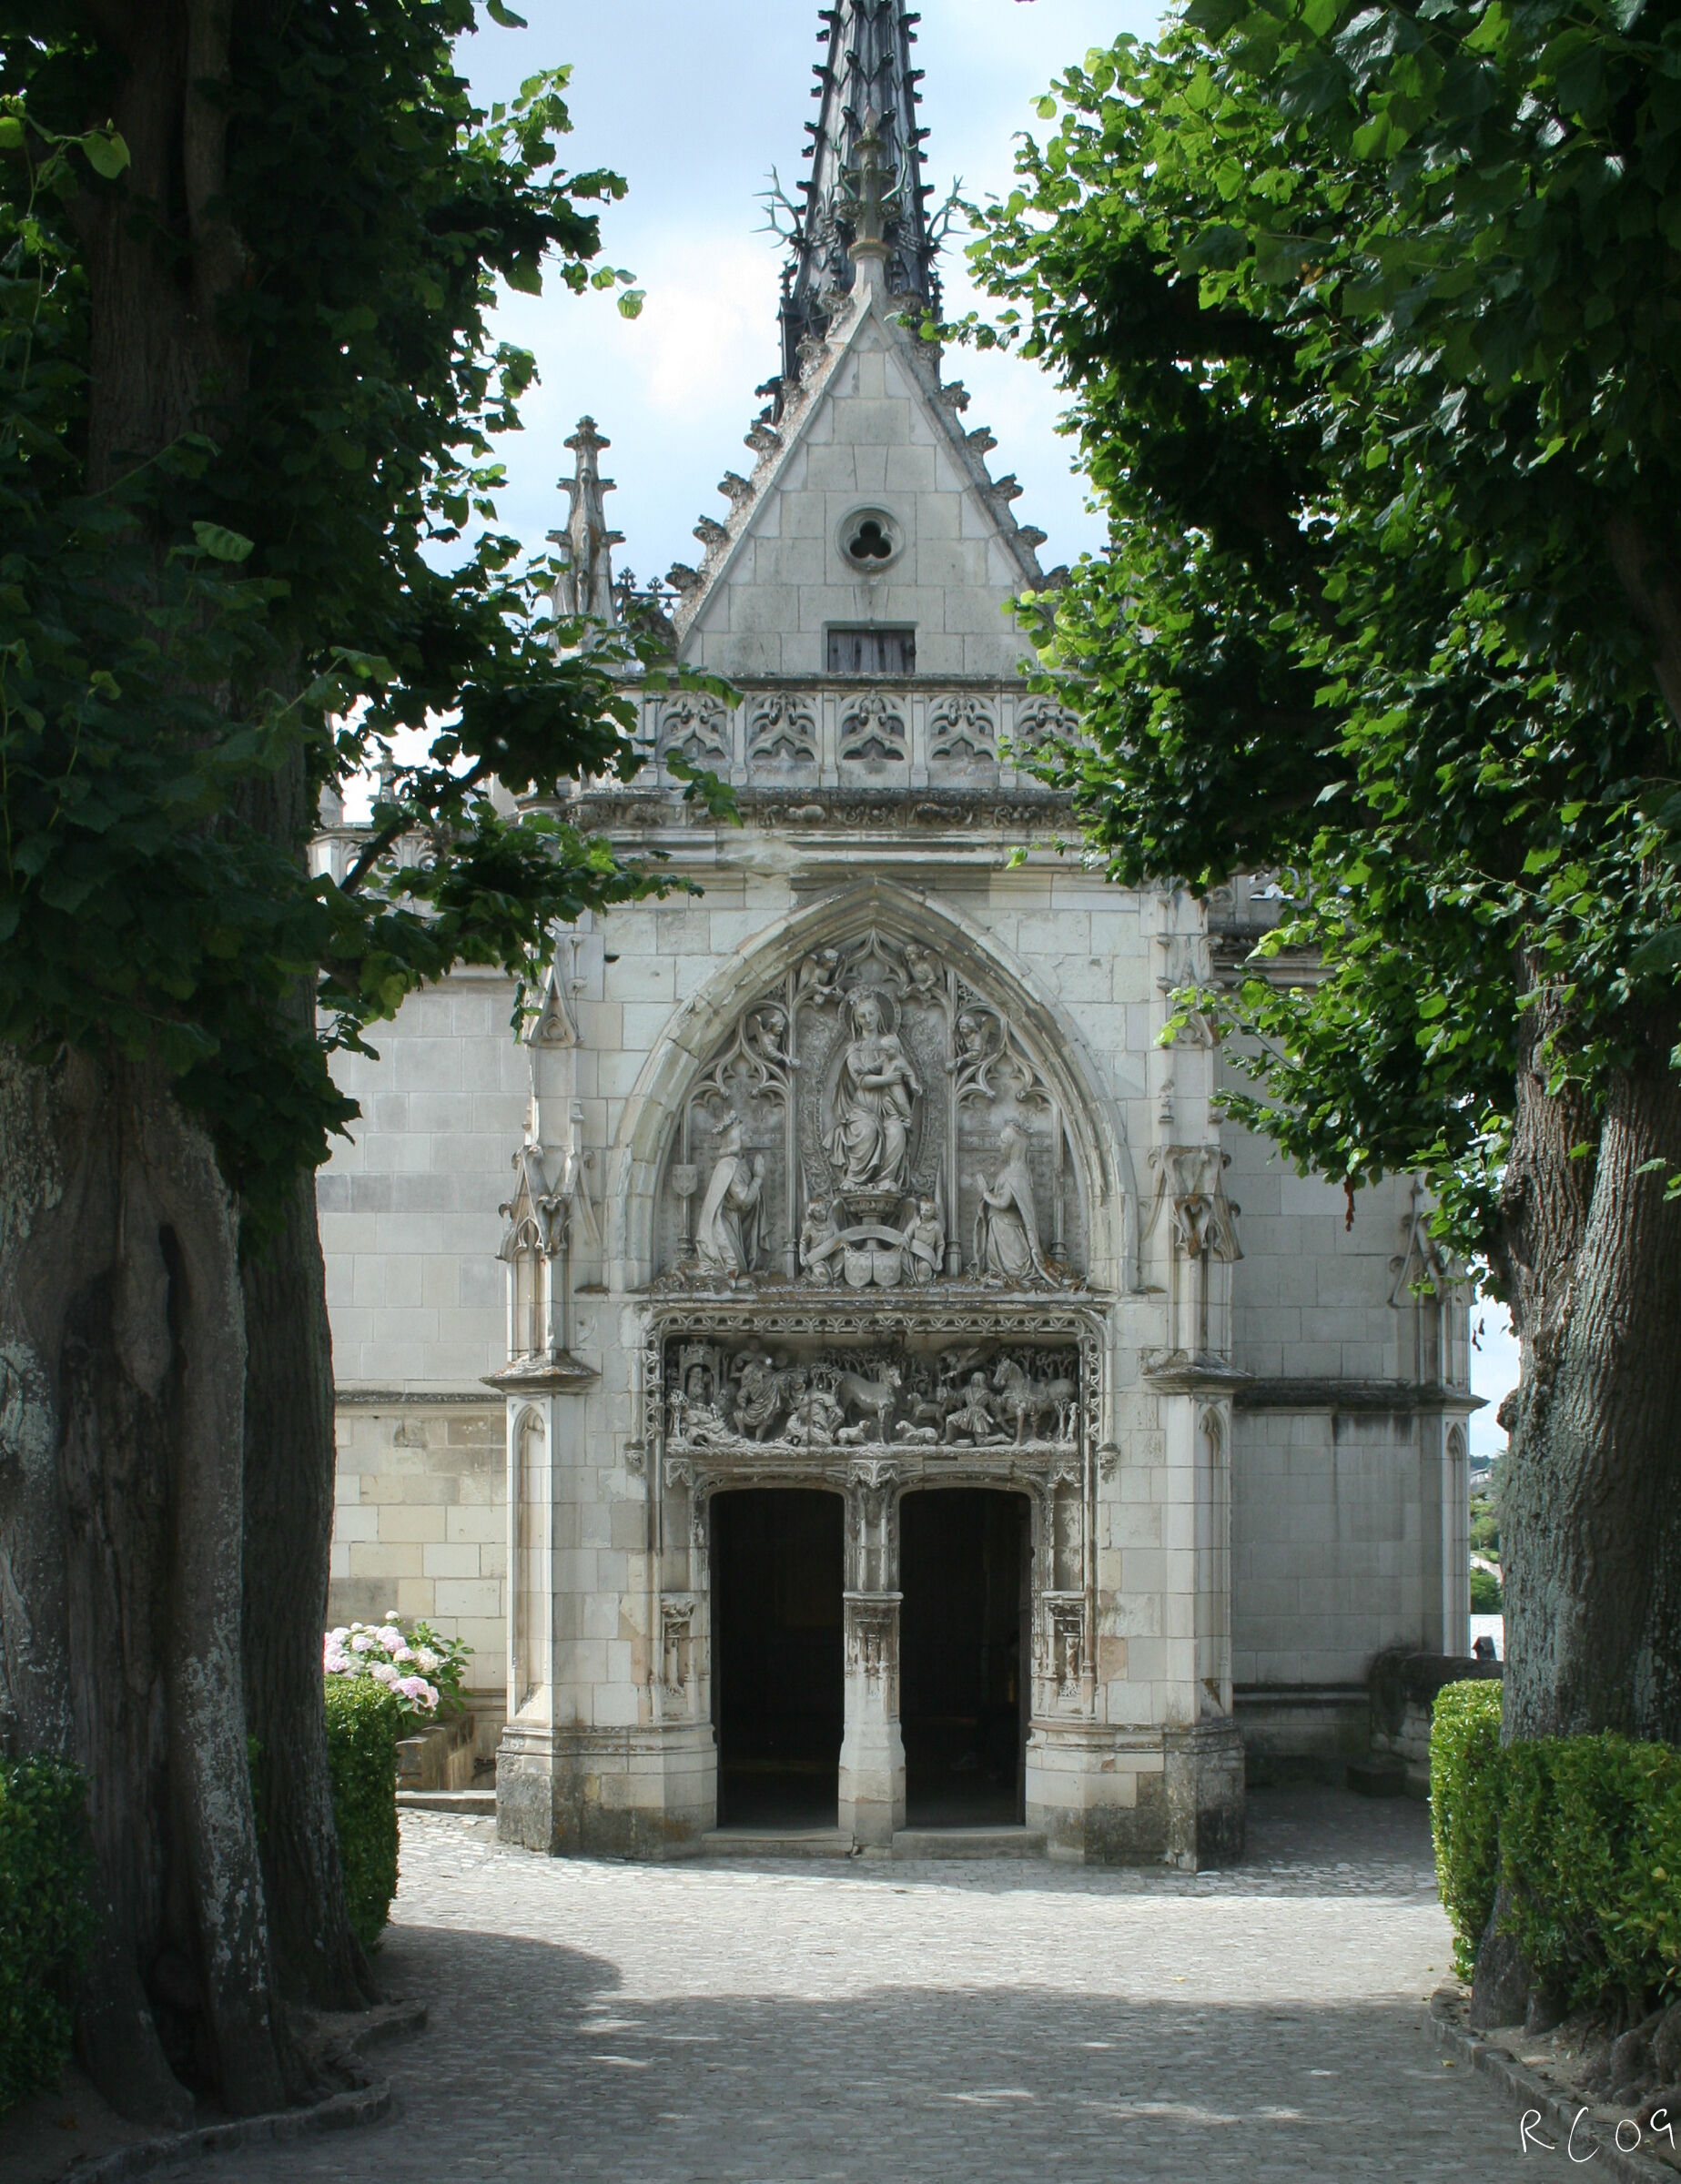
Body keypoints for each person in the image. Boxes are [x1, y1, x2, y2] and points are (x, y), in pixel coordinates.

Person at [825, 989, 920, 1193]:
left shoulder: (892, 1045)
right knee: (867, 1130)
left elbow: (903, 1069)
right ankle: (854, 1179)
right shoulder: (855, 1049)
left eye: (871, 1014)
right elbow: (860, 1080)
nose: (867, 1019)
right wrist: (886, 1079)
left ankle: (886, 1180)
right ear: (856, 1020)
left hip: (889, 1106)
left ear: (879, 1014)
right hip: (862, 1108)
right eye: (862, 1016)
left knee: (895, 1131)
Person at [973, 1120, 1051, 1281]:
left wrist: (985, 1193)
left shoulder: (1016, 1174)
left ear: (1013, 1146)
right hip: (1001, 1229)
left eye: (1003, 1141)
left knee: (1015, 1271)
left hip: (1007, 1232)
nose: (999, 1145)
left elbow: (1003, 1203)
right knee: (1002, 1273)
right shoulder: (1013, 1171)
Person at [694, 1119, 765, 1275]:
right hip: (722, 1222)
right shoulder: (728, 1166)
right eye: (746, 1133)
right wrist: (758, 1179)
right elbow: (744, 1199)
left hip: (733, 1219)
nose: (751, 1135)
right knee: (733, 1268)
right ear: (736, 1139)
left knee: (739, 1269)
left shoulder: (739, 1163)